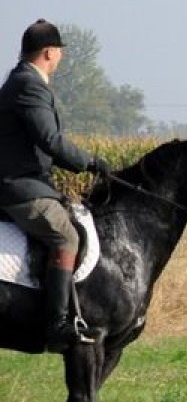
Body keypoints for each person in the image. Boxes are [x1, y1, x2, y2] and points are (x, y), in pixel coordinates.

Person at [0, 19, 113, 352]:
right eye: (60, 52)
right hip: (21, 188)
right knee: (67, 235)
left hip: (24, 183)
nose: (60, 57)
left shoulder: (17, 81)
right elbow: (49, 139)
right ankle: (56, 324)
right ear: (49, 52)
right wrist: (89, 162)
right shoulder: (30, 85)